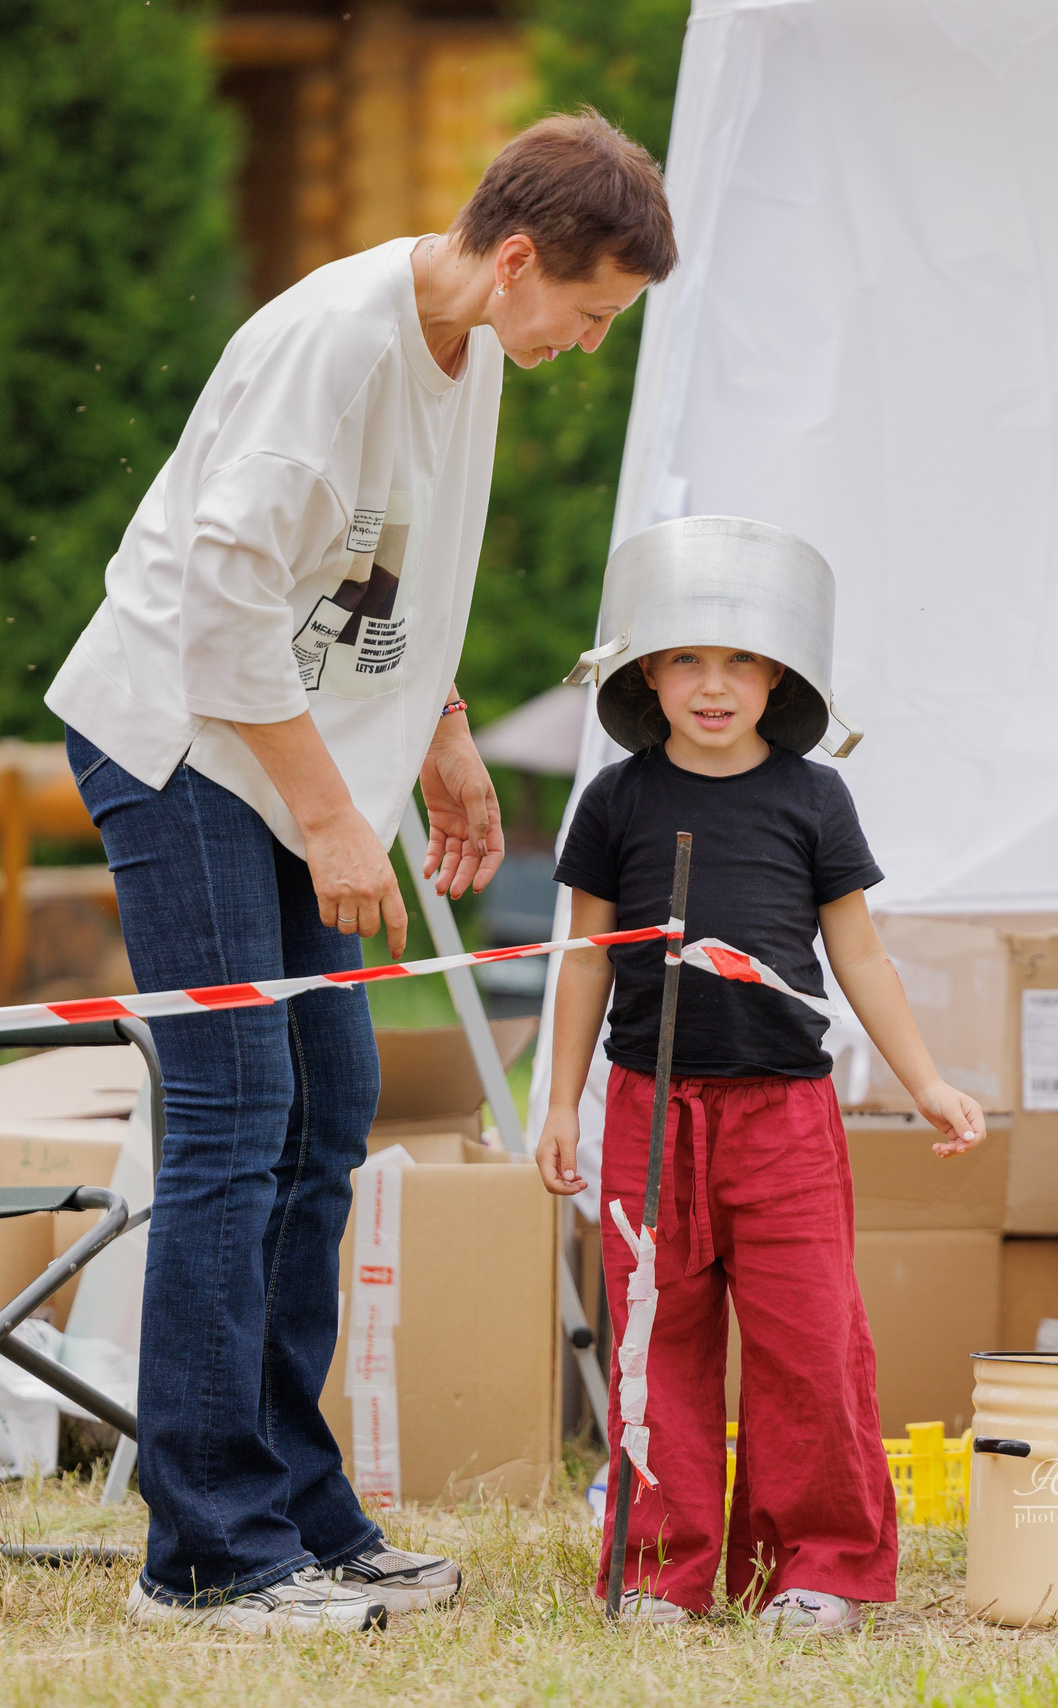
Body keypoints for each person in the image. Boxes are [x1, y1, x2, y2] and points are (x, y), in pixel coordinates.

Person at [45, 110, 676, 1635]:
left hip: (294, 758)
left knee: (326, 1113)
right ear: (519, 260)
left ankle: (294, 1504)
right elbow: (219, 612)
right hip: (183, 750)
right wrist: (339, 820)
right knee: (235, 1120)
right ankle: (201, 1554)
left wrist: (443, 730)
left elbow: (383, 571)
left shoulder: (474, 353)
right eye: (591, 313)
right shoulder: (335, 346)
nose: (590, 345)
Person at [537, 638, 988, 1635]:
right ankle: (664, 1567)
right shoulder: (615, 800)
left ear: (777, 680)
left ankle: (818, 1565)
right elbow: (583, 961)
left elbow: (860, 951)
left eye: (740, 662)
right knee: (658, 1343)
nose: (711, 685)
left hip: (785, 1119)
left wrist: (926, 1080)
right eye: (686, 661)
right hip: (651, 1115)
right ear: (644, 677)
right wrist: (563, 1102)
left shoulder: (814, 798)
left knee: (810, 1345)